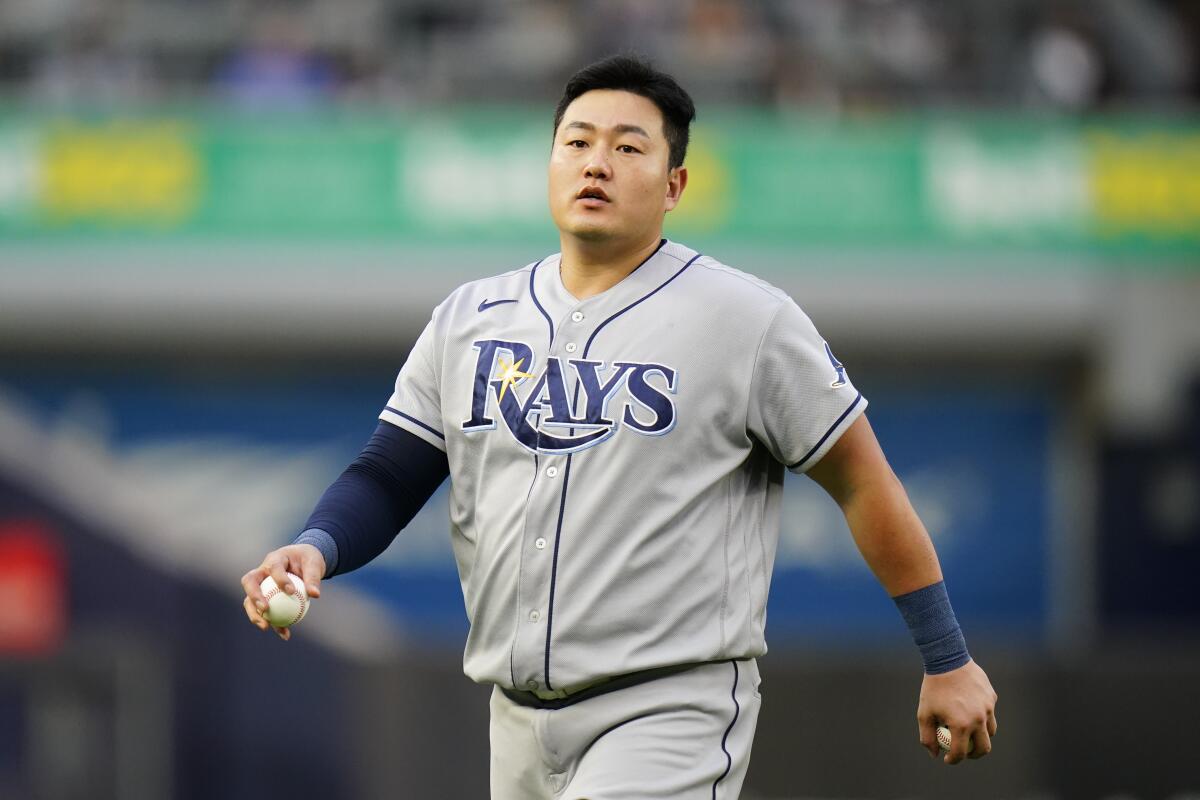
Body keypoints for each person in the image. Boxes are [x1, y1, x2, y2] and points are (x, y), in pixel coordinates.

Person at [241, 54, 998, 799]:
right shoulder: (471, 317)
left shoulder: (747, 320)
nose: (596, 162)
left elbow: (863, 480)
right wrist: (316, 548)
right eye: (576, 142)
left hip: (669, 709)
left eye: (627, 146)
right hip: (515, 721)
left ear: (674, 186)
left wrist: (946, 657)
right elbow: (390, 473)